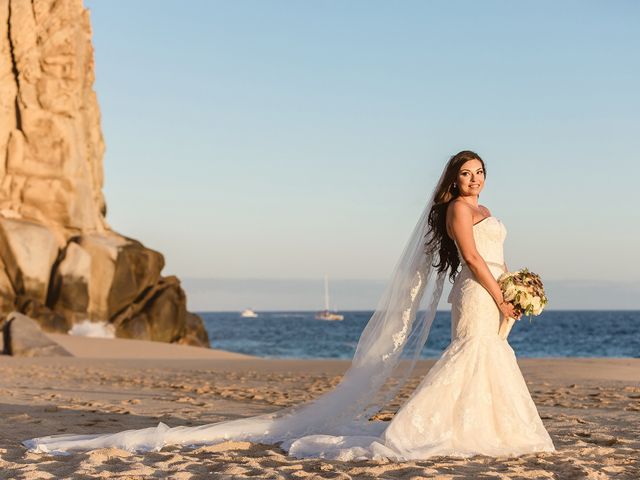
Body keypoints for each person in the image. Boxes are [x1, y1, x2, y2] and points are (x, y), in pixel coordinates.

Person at [23, 150, 556, 460]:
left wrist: (515, 288)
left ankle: (487, 425)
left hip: (497, 290)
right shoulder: (460, 211)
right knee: (471, 353)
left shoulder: (486, 205)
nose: (474, 180)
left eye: (479, 173)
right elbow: (471, 257)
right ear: (453, 180)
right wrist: (500, 295)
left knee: (488, 357)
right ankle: (432, 428)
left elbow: (495, 254)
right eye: (466, 174)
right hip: (479, 291)